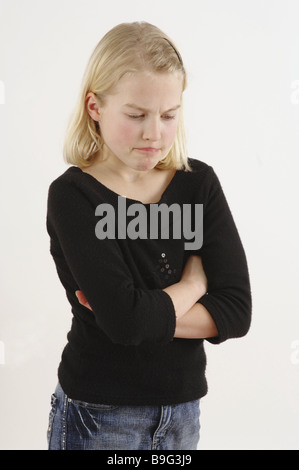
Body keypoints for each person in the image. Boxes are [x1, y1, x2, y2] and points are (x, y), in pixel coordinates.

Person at [46, 22, 251, 451]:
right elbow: (126, 322)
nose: (154, 133)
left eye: (169, 115)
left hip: (182, 411)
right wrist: (193, 286)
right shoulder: (73, 196)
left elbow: (235, 312)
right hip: (98, 411)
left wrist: (138, 316)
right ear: (95, 107)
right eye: (136, 115)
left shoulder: (199, 184)